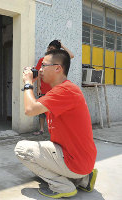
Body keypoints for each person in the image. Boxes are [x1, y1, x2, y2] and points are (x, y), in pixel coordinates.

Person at [14, 49, 97, 198]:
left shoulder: (65, 90)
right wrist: (32, 84)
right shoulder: (60, 91)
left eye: (43, 65)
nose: (40, 70)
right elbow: (34, 105)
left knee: (21, 149)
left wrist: (27, 84)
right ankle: (83, 178)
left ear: (58, 67)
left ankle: (62, 186)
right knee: (42, 147)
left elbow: (30, 110)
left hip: (75, 160)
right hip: (81, 159)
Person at [33, 40, 74, 135]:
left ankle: (56, 130)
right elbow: (39, 74)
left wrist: (62, 45)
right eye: (49, 48)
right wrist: (38, 87)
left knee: (56, 112)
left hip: (56, 90)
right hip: (44, 89)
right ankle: (42, 129)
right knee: (41, 111)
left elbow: (71, 55)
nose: (49, 50)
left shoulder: (60, 61)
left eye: (52, 49)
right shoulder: (42, 60)